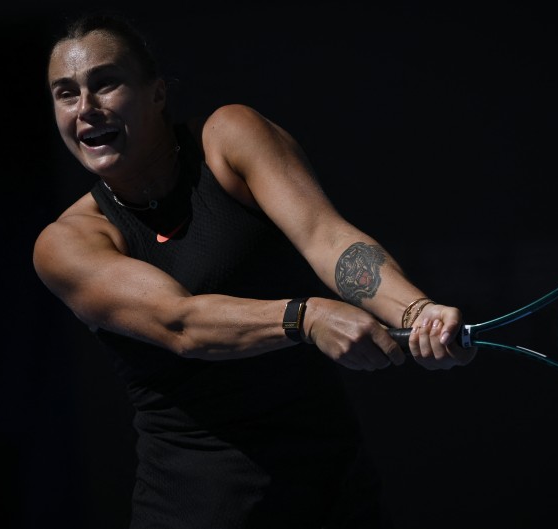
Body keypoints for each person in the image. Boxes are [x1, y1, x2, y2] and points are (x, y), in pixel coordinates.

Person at [33, 12, 476, 529]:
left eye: (106, 83)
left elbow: (326, 237)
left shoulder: (229, 138)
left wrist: (416, 312)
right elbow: (181, 323)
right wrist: (306, 318)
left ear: (157, 93)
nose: (86, 108)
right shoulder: (66, 244)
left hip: (334, 492)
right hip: (200, 510)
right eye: (66, 93)